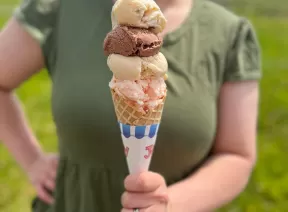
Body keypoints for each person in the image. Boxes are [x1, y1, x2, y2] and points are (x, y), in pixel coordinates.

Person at [0, 0, 261, 211]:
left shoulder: (230, 34)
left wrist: (169, 205)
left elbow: (236, 154)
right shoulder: (61, 7)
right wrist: (32, 160)